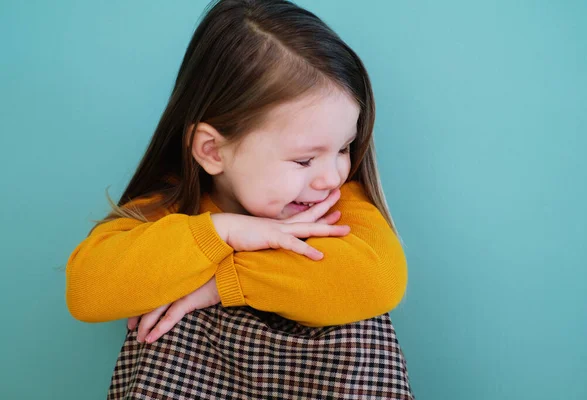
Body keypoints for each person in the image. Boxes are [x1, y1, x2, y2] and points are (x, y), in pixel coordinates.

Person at [65, 0, 414, 398]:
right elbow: (85, 292)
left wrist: (221, 282)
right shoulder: (173, 212)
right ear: (213, 151)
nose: (332, 175)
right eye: (304, 159)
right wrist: (221, 231)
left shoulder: (335, 205)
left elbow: (379, 279)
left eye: (344, 148)